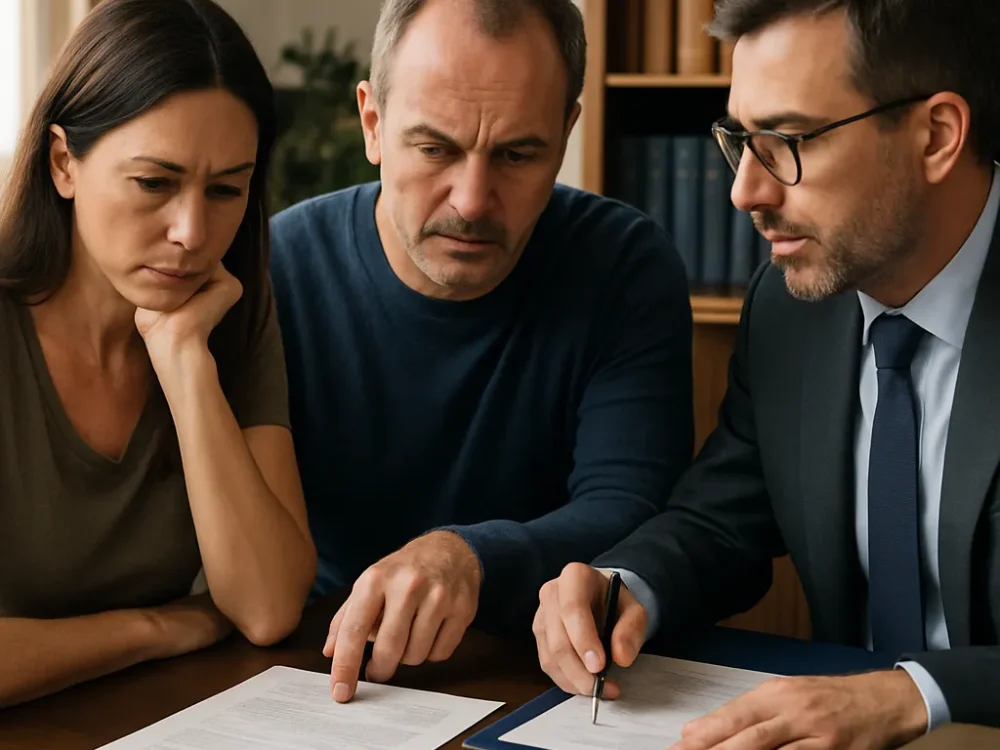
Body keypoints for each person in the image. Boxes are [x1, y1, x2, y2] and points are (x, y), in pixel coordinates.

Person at [532, 0, 1000, 747]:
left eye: (785, 141)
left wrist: (915, 696)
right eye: (739, 141)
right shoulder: (790, 311)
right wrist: (625, 587)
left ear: (936, 136)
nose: (745, 191)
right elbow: (723, 519)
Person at [268, 0, 694, 704]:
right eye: (435, 148)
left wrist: (468, 558)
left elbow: (634, 507)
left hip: (552, 681)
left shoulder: (623, 263)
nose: (471, 200)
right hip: (327, 676)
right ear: (372, 124)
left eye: (516, 155)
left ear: (566, 132)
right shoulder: (279, 269)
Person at [0, 0, 317, 707]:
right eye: (154, 183)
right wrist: (152, 628)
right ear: (63, 164)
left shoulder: (229, 307)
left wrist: (183, 361)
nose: (192, 231)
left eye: (227, 189)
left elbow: (266, 607)